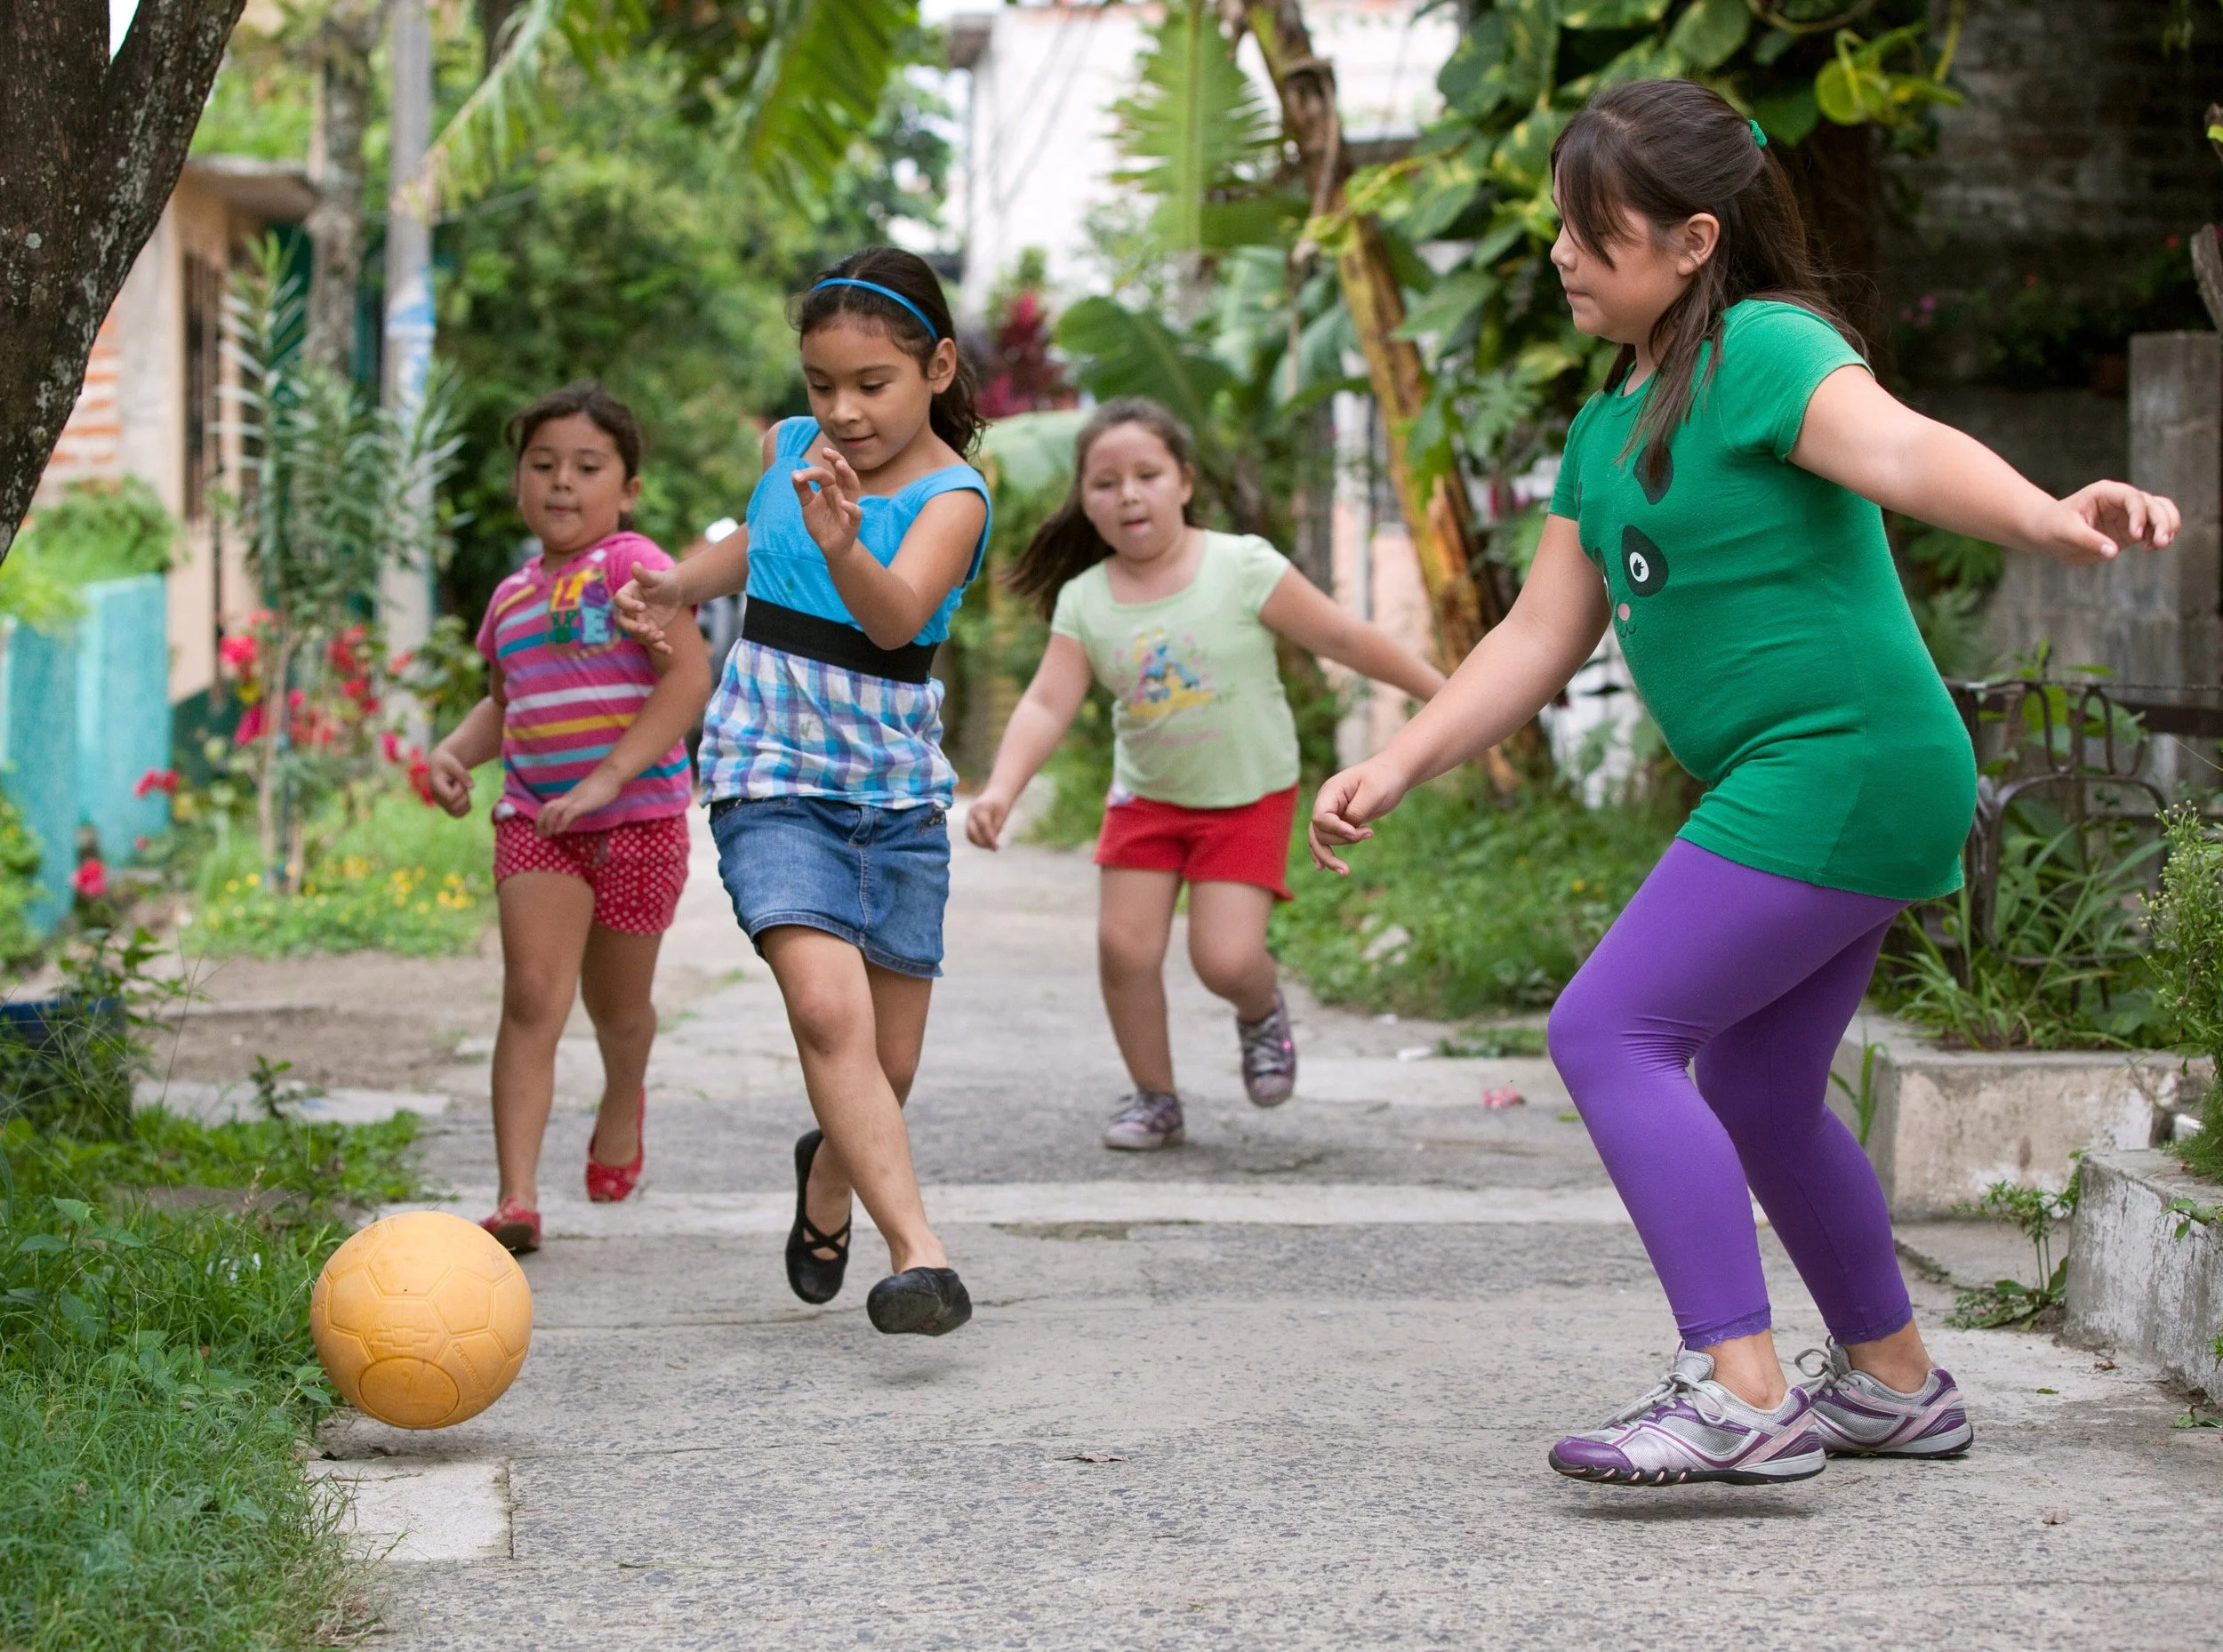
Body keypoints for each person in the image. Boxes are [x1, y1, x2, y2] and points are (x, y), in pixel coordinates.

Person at [1308, 79, 2181, 1488]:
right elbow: (1538, 633)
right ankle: (1895, 1383)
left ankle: (1739, 1387)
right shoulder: (1611, 426)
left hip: (1835, 760)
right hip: (1837, 775)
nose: (1562, 259)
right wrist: (1399, 758)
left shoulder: (1770, 350)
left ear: (1695, 238)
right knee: (1761, 1082)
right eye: (1559, 231)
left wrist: (2044, 512)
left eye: (1594, 233)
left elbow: (1900, 448)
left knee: (1609, 1031)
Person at [614, 247, 988, 1337]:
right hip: (767, 773)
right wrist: (677, 582)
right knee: (830, 1014)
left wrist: (844, 543)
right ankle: (921, 1256)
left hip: (894, 796)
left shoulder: (952, 497)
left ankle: (828, 1180)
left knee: (891, 1063)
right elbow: (751, 547)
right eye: (823, 385)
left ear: (936, 369)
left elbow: (892, 614)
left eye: (871, 384)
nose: (843, 410)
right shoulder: (789, 451)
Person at [966, 398, 1444, 1149]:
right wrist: (1001, 788)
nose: (1127, 494)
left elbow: (1343, 637)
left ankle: (1259, 1013)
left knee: (1225, 960)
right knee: (1124, 951)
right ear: (1084, 502)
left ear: (1184, 482)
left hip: (1246, 794)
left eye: (1146, 474)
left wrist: (1447, 698)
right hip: (1147, 800)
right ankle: (1154, 1097)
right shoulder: (1084, 600)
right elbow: (1046, 702)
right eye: (1104, 482)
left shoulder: (1241, 565)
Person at [425, 383, 712, 1255]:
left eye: (587, 467)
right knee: (532, 997)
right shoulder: (510, 598)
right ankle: (516, 1199)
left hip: (638, 820)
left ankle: (623, 1095)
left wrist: (606, 779)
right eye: (543, 465)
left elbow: (687, 679)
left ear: (625, 488)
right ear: (519, 482)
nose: (561, 483)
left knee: (616, 1009)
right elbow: (504, 704)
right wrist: (452, 751)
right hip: (536, 825)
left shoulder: (635, 569)